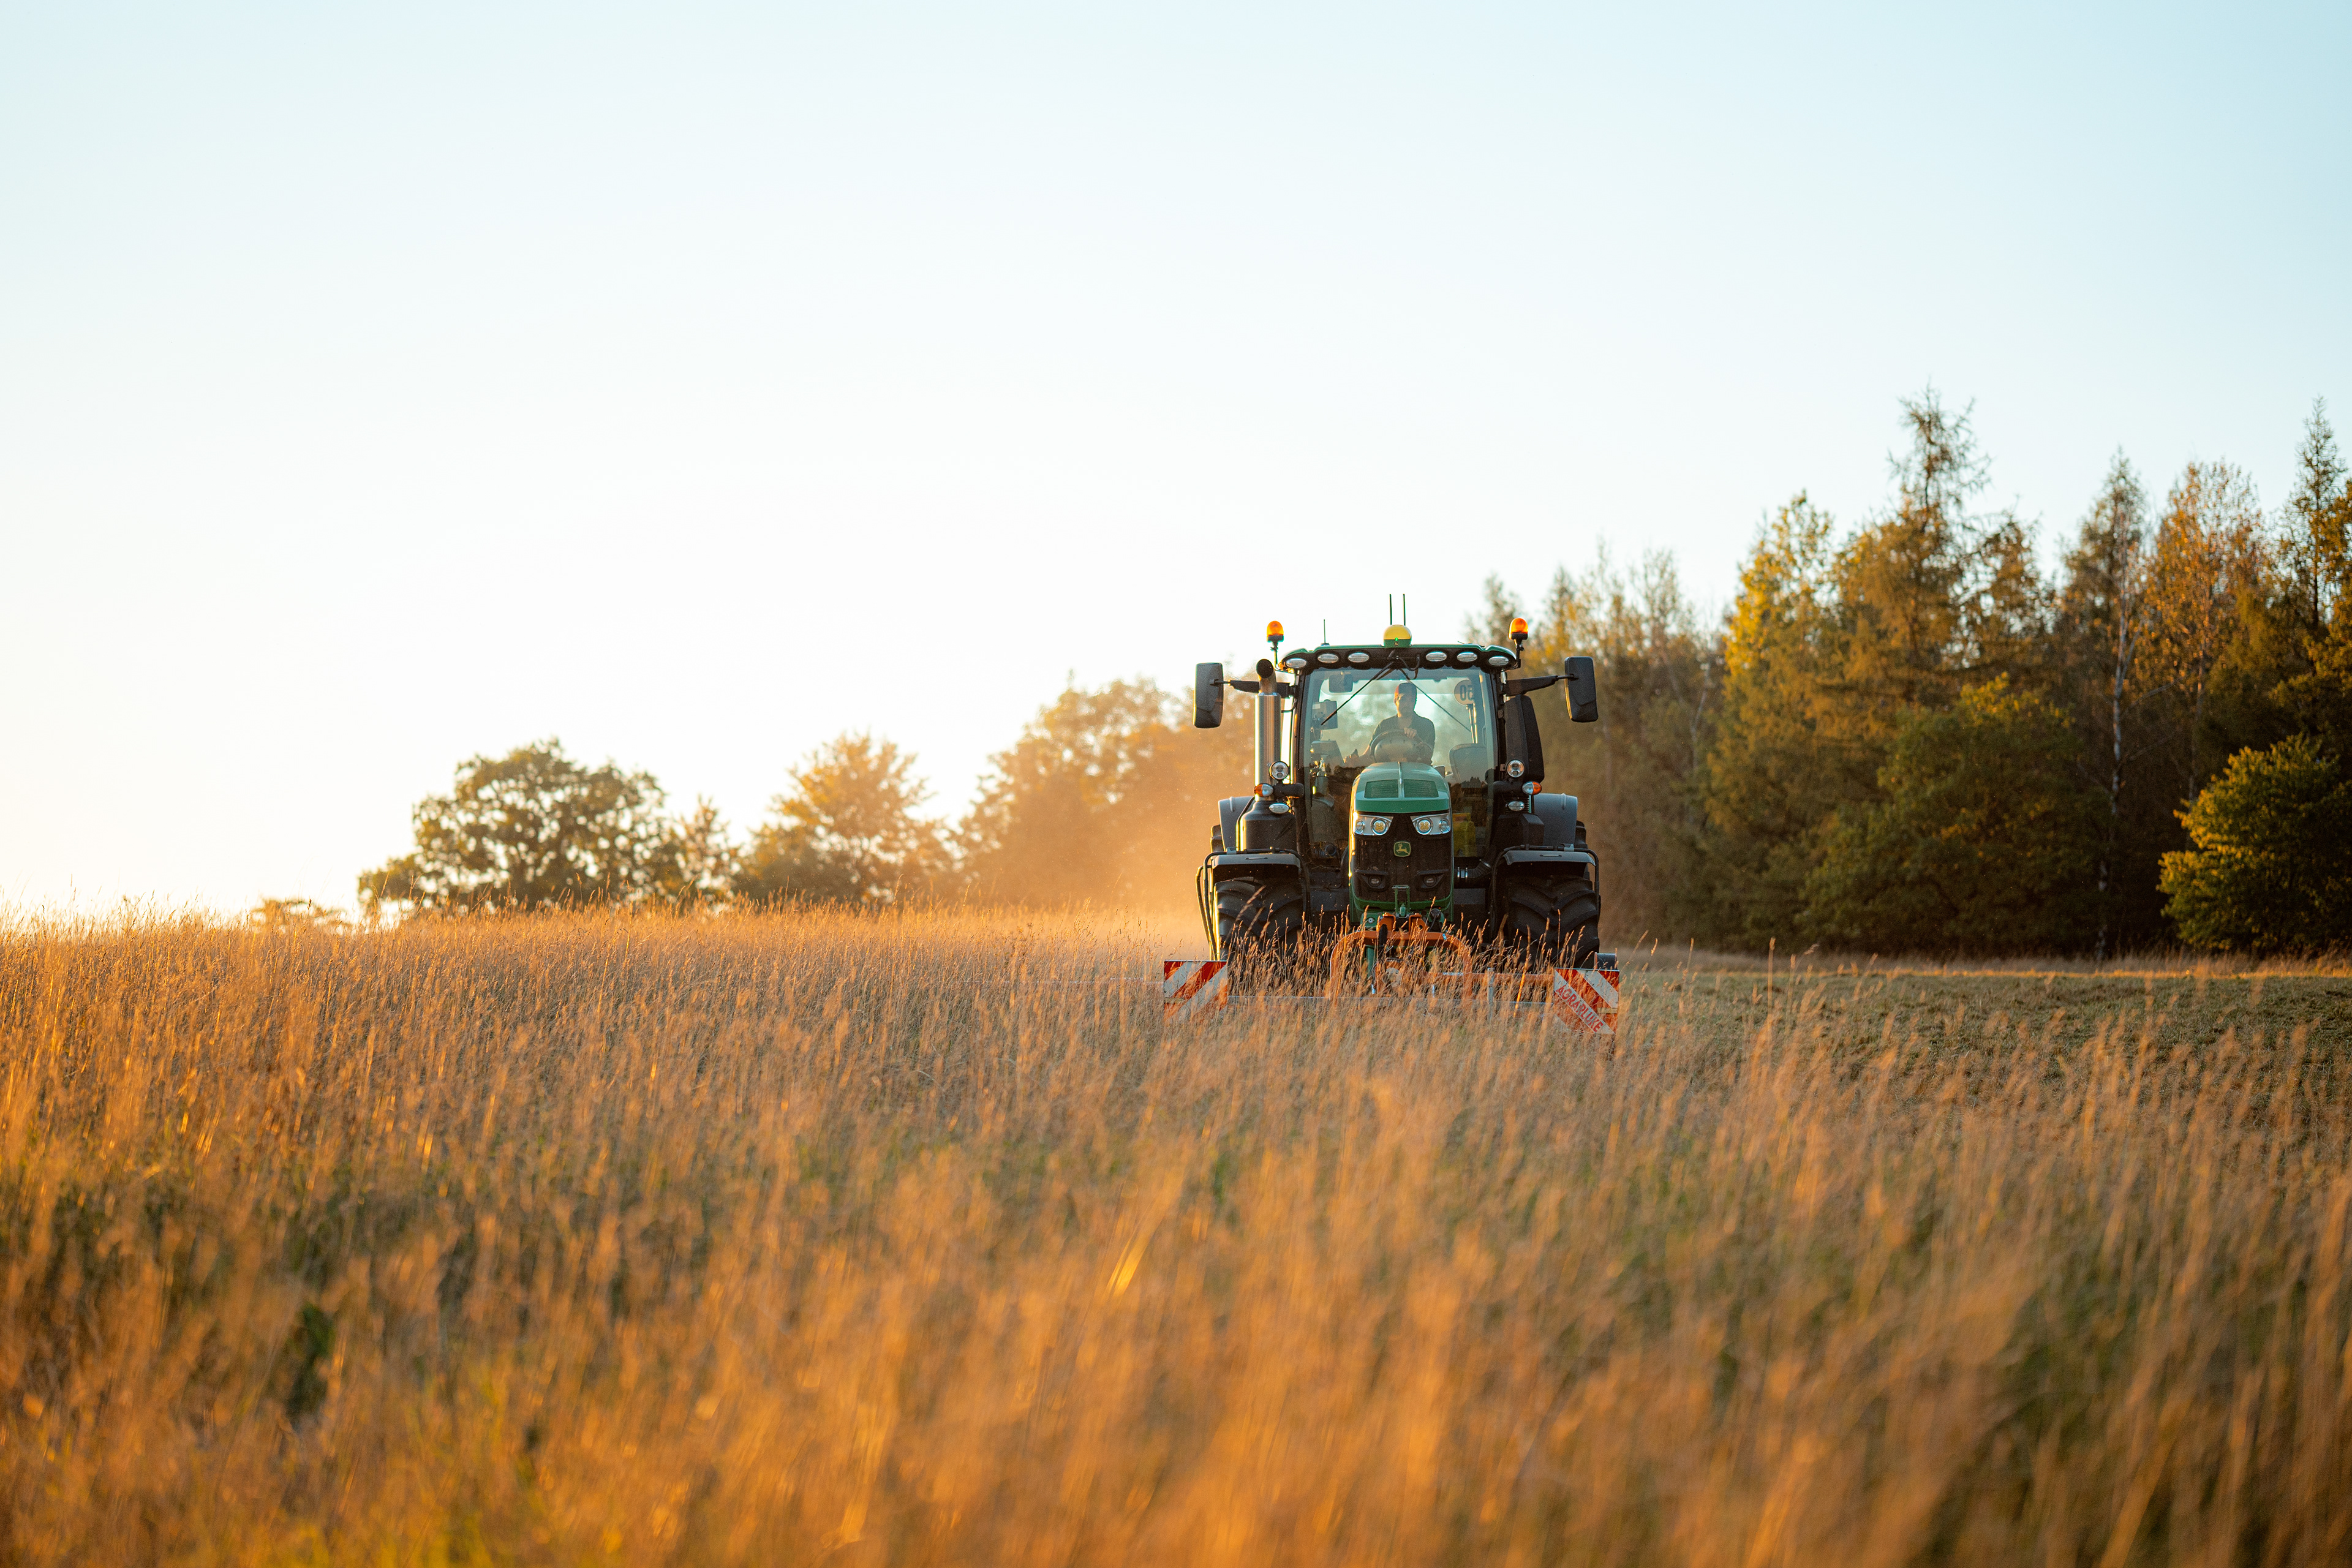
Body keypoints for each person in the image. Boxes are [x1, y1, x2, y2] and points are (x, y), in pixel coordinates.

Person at [1363, 682, 1437, 763]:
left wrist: (1419, 742)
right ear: (1395, 701)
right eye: (1403, 700)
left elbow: (1429, 754)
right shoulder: (1384, 726)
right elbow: (1367, 756)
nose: (1407, 704)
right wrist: (1353, 761)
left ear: (1415, 702)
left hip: (1418, 773)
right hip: (1386, 773)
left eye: (1411, 700)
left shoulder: (1426, 725)